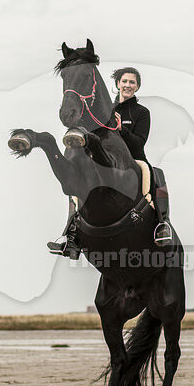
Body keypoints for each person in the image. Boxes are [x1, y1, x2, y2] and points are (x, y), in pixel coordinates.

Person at [47, 67, 171, 258]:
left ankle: (162, 223)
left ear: (137, 86)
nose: (128, 85)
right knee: (76, 187)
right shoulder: (103, 110)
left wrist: (121, 129)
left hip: (132, 160)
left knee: (156, 173)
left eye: (132, 82)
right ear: (117, 84)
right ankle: (71, 235)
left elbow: (139, 142)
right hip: (100, 162)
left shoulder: (142, 112)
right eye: (124, 81)